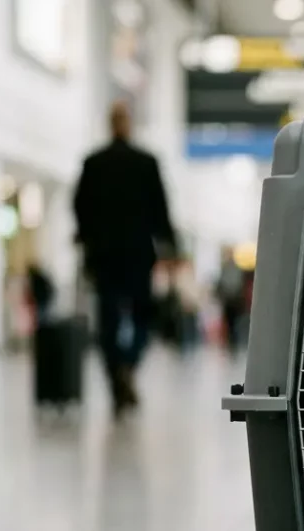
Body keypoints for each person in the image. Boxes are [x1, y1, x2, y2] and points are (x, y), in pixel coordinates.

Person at [73, 102, 177, 414]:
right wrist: (170, 246)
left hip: (104, 255)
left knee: (108, 318)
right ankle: (128, 365)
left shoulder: (94, 163)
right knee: (142, 315)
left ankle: (116, 372)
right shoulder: (146, 162)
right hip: (137, 253)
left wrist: (86, 238)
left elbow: (80, 206)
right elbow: (160, 208)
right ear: (128, 125)